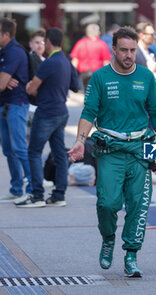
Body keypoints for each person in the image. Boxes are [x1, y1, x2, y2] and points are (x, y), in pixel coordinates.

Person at [68, 27, 156, 277]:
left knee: (138, 205)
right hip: (110, 148)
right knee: (107, 203)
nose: (128, 55)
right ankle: (108, 238)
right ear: (113, 49)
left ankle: (131, 255)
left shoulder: (146, 77)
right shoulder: (100, 78)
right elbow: (89, 111)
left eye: (132, 50)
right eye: (123, 50)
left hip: (140, 148)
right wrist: (81, 140)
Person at [15, 27, 79, 208]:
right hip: (61, 112)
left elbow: (32, 89)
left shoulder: (49, 62)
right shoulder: (66, 61)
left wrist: (29, 86)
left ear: (48, 42)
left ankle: (37, 195)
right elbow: (75, 86)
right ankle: (59, 195)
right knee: (59, 154)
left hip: (46, 113)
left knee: (34, 152)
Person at [0, 17, 33, 202]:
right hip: (5, 105)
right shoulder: (4, 51)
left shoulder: (14, 52)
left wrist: (3, 80)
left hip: (16, 105)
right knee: (8, 150)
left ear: (6, 34)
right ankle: (16, 188)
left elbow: (2, 84)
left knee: (20, 148)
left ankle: (33, 188)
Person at [70, 23, 111, 91]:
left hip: (83, 75)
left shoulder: (80, 43)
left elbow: (74, 62)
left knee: (85, 95)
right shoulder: (102, 44)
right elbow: (106, 62)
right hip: (97, 74)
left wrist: (72, 76)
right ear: (98, 33)